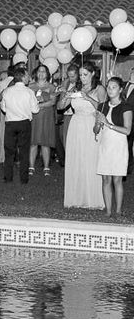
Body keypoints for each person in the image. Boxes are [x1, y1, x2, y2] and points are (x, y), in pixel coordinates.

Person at [64, 61, 106, 209]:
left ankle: (93, 198)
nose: (82, 77)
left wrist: (87, 97)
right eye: (80, 75)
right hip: (75, 125)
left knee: (91, 160)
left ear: (93, 74)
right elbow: (60, 107)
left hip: (91, 124)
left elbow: (103, 108)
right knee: (77, 158)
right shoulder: (76, 88)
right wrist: (66, 96)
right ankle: (76, 197)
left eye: (85, 74)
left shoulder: (99, 88)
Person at [93, 77, 133, 216]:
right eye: (108, 87)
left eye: (114, 87)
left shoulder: (126, 107)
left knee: (117, 179)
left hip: (119, 146)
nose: (110, 90)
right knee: (105, 179)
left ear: (120, 89)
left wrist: (108, 124)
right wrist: (98, 123)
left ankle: (118, 210)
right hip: (105, 145)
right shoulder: (102, 106)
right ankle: (108, 211)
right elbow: (96, 130)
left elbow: (127, 130)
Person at [0, 67, 39, 184]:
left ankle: (8, 177)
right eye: (27, 76)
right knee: (24, 152)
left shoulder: (7, 91)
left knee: (9, 152)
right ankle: (24, 179)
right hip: (24, 124)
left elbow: (3, 108)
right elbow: (35, 110)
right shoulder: (29, 92)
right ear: (22, 77)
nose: (29, 78)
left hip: (10, 123)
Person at [28, 64, 58, 176]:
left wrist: (39, 105)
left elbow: (53, 102)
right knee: (33, 141)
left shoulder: (51, 87)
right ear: (36, 73)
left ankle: (46, 167)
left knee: (46, 141)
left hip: (46, 116)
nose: (41, 73)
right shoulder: (30, 86)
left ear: (47, 74)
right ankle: (31, 166)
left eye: (44, 71)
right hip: (34, 116)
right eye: (39, 71)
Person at [55, 64, 81, 167]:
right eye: (69, 76)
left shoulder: (80, 85)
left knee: (71, 141)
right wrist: (58, 90)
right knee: (63, 140)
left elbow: (71, 96)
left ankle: (73, 164)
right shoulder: (65, 82)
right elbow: (58, 94)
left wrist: (66, 92)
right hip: (64, 115)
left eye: (73, 76)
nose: (70, 78)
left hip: (74, 115)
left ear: (78, 75)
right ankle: (68, 163)